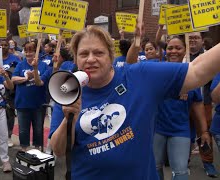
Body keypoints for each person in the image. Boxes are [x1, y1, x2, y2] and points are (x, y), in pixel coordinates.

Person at [49, 25, 220, 180]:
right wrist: (69, 119)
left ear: (111, 56)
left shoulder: (139, 76)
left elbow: (197, 70)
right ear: (76, 59)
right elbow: (59, 150)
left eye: (98, 53)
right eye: (84, 54)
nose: (91, 59)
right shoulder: (69, 91)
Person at [151, 37, 211, 180]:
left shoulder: (192, 74)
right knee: (154, 167)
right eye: (170, 48)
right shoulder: (157, 70)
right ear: (165, 51)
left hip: (180, 130)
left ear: (185, 50)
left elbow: (197, 104)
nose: (173, 51)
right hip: (156, 129)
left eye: (178, 48)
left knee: (180, 172)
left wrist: (203, 131)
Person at [188, 32, 218, 177]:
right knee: (185, 133)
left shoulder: (209, 56)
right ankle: (183, 158)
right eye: (191, 37)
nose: (193, 40)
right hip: (185, 102)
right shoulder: (182, 55)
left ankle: (208, 163)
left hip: (204, 102)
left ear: (202, 41)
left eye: (196, 37)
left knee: (204, 133)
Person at [11, 41, 49, 151]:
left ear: (36, 52)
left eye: (31, 51)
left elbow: (39, 83)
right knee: (23, 129)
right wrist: (26, 78)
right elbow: (13, 79)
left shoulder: (43, 66)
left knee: (38, 129)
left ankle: (37, 149)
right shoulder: (20, 64)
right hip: (22, 103)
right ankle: (24, 149)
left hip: (38, 104)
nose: (28, 54)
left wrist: (35, 70)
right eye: (26, 51)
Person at [1, 39, 21, 147]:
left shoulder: (15, 58)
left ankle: (9, 136)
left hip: (10, 90)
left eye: (5, 45)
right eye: (1, 45)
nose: (3, 47)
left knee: (10, 114)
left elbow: (18, 71)